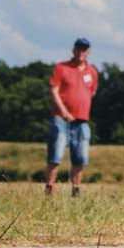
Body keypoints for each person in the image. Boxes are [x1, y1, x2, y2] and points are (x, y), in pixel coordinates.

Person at [46, 38, 98, 197]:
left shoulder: (92, 72)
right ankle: (50, 188)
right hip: (61, 119)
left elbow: (92, 92)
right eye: (78, 49)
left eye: (84, 49)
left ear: (88, 52)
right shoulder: (61, 68)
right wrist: (64, 112)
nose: (81, 52)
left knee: (80, 158)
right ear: (73, 50)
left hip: (82, 120)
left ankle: (76, 190)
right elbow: (54, 91)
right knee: (55, 155)